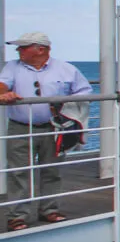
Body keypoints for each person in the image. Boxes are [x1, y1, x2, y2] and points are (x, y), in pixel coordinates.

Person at [0, 32, 92, 231]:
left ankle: (49, 210)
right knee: (18, 172)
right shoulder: (12, 67)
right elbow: (2, 85)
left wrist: (65, 108)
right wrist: (4, 94)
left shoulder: (66, 69)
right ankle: (17, 216)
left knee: (52, 170)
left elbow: (84, 92)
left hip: (54, 128)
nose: (18, 50)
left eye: (23, 47)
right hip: (20, 126)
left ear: (40, 49)